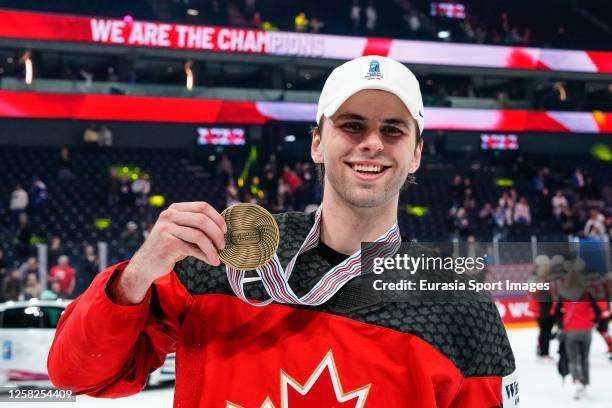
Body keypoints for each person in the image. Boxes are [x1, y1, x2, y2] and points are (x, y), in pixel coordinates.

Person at [48, 56, 518, 407]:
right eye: (352, 125)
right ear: (317, 142)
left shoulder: (458, 302)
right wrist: (136, 276)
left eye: (393, 130)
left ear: (416, 154)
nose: (372, 143)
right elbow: (78, 375)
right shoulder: (230, 257)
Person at [554, 260, 601, 400]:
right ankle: (585, 383)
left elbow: (557, 313)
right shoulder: (586, 294)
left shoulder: (562, 295)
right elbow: (598, 311)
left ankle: (578, 382)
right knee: (585, 358)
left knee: (573, 359)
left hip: (571, 331)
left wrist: (562, 326)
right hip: (586, 330)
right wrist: (595, 323)